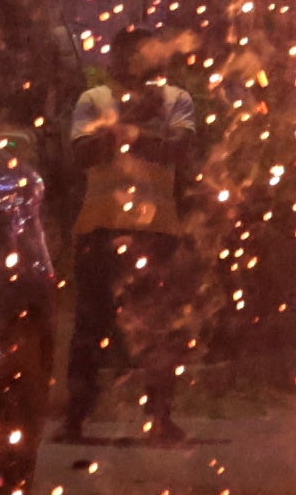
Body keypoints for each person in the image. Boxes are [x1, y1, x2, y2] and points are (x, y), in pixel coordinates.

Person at [58, 33, 211, 444]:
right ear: (116, 58)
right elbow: (80, 154)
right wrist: (117, 131)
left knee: (160, 325)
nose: (139, 61)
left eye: (145, 53)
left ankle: (160, 415)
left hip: (157, 229)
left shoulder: (175, 100)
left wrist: (134, 134)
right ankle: (75, 417)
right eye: (129, 53)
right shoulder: (94, 100)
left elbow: (180, 150)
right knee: (91, 326)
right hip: (101, 226)